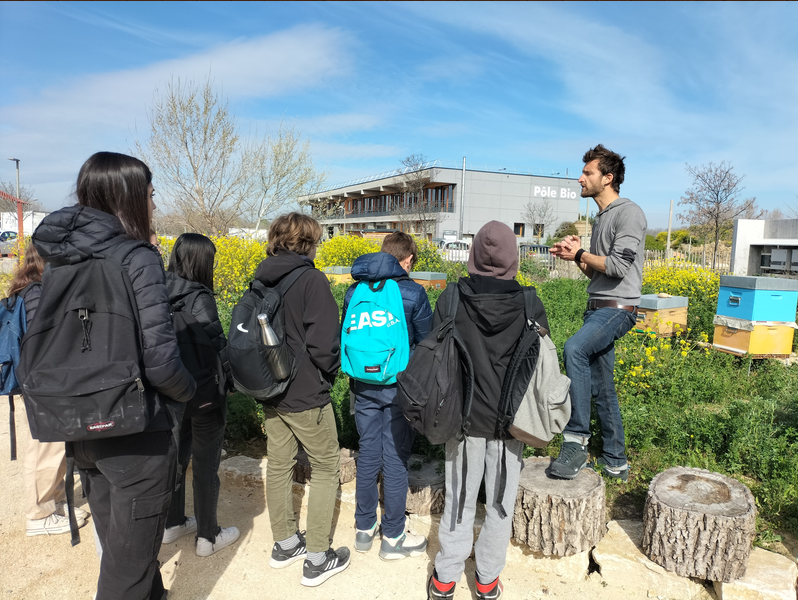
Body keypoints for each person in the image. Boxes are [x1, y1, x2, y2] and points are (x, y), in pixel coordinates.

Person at [30, 151, 196, 600]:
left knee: (129, 557)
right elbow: (161, 362)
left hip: (80, 427)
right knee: (125, 576)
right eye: (150, 194)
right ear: (127, 196)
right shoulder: (136, 256)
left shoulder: (59, 258)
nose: (154, 204)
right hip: (135, 432)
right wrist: (189, 393)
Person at [427, 221, 549, 600]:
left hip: (462, 421)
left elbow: (437, 358)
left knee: (460, 500)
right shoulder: (530, 303)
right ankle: (486, 581)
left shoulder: (451, 298)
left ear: (473, 255)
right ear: (514, 257)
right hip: (510, 425)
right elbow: (539, 364)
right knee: (500, 504)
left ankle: (445, 579)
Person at [256, 212, 348, 587]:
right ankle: (317, 558)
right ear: (309, 242)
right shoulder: (311, 280)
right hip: (306, 391)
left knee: (279, 464)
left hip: (270, 389)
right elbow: (325, 344)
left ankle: (285, 543)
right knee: (326, 466)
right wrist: (327, 376)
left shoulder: (260, 279)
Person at [549, 144, 647, 482]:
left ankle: (576, 439)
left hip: (618, 309)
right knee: (604, 388)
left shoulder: (628, 213)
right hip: (597, 308)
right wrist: (575, 256)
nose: (580, 178)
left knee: (574, 348)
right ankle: (616, 462)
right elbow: (598, 273)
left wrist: (581, 253)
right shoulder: (602, 217)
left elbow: (619, 267)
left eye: (587, 173)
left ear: (607, 178)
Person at [341, 231, 432, 560]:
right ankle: (393, 537)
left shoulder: (355, 290)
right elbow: (427, 343)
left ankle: (364, 530)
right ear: (406, 260)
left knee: (367, 453)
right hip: (399, 388)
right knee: (395, 459)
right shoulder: (412, 293)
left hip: (363, 384)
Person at [161, 233, 239, 556]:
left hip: (174, 393)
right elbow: (219, 347)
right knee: (206, 464)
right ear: (202, 262)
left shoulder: (157, 291)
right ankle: (208, 536)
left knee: (177, 459)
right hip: (206, 395)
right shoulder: (200, 298)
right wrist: (231, 382)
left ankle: (172, 522)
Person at [8, 243, 90, 536]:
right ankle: (39, 514)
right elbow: (41, 340)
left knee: (54, 445)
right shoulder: (36, 293)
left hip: (40, 380)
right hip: (42, 382)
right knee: (45, 448)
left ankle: (53, 502)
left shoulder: (28, 288)